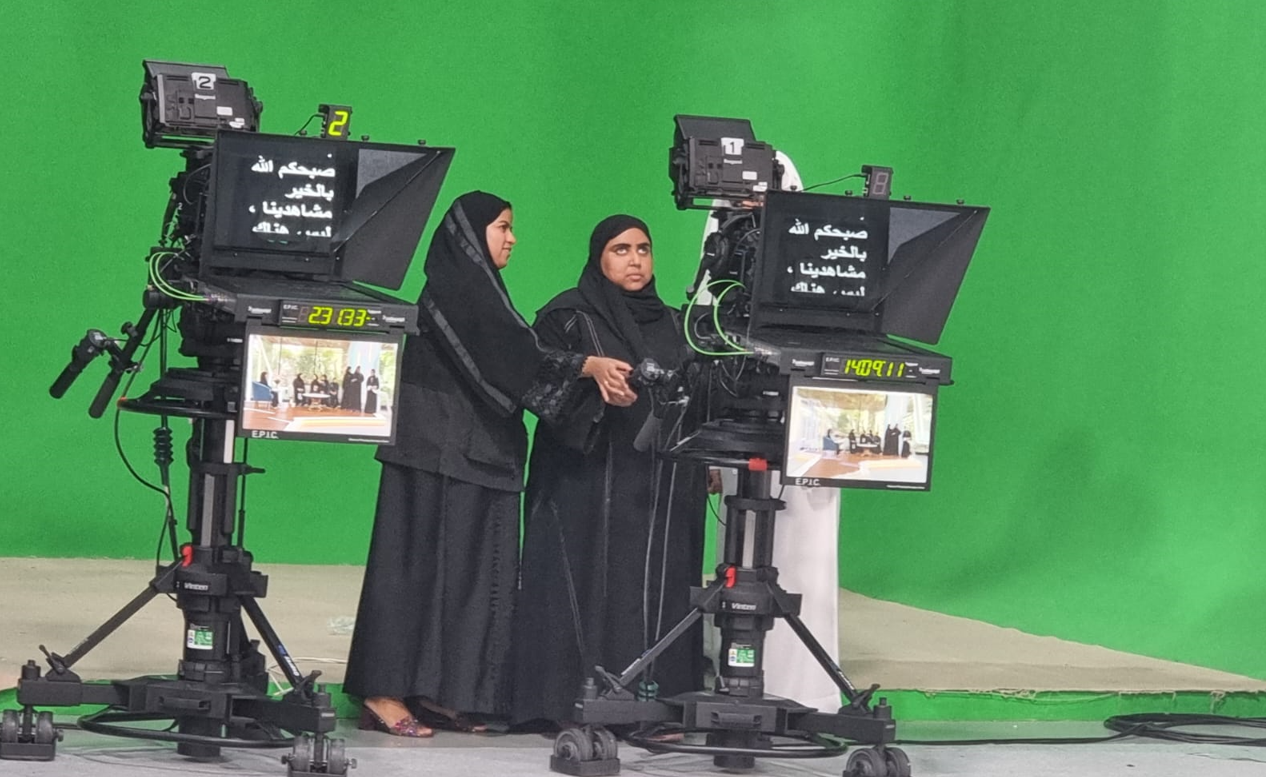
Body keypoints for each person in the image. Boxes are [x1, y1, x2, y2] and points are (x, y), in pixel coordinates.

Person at [344, 192, 633, 738]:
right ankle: (382, 693)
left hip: (477, 454)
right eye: (502, 227)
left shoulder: (483, 292)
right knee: (412, 572)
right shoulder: (455, 292)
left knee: (471, 579)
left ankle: (442, 693)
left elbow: (513, 354)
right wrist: (586, 365)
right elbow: (515, 355)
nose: (512, 238)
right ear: (471, 237)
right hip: (432, 453)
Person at [511, 215, 708, 729]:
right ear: (599, 257)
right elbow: (531, 379)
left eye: (643, 249)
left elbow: (697, 395)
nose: (635, 260)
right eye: (621, 250)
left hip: (661, 487)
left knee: (655, 588)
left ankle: (657, 706)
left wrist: (703, 456)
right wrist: (590, 377)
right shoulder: (567, 317)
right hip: (584, 482)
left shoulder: (677, 323)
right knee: (584, 583)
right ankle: (569, 703)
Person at [702, 153, 843, 713]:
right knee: (739, 559)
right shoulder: (721, 274)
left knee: (804, 559)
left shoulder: (820, 267)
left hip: (808, 436)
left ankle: (806, 692)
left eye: (763, 192)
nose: (751, 205)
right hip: (740, 438)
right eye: (739, 197)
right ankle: (734, 679)